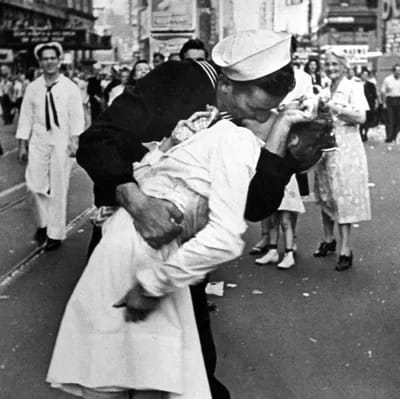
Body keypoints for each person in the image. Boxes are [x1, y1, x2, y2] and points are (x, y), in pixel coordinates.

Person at [48, 30, 314, 399]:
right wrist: (140, 205)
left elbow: (253, 206)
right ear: (224, 84)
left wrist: (283, 153)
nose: (262, 117)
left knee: (174, 371)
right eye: (256, 109)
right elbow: (97, 141)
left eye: (270, 110)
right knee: (135, 372)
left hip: (179, 258)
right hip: (136, 243)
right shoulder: (178, 80)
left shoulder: (255, 121)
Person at [16, 42, 85, 251]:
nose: (49, 62)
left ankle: (55, 234)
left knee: (58, 187)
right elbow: (25, 118)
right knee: (34, 186)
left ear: (59, 60)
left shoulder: (70, 88)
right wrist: (22, 145)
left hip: (61, 142)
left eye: (52, 58)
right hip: (38, 141)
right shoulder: (33, 88)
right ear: (40, 62)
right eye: (45, 59)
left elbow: (77, 117)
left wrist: (75, 141)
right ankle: (43, 223)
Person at [313, 50, 371, 271]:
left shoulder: (354, 87)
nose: (330, 68)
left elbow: (361, 117)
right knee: (326, 194)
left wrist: (334, 108)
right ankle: (329, 239)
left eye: (335, 64)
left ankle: (345, 249)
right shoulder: (326, 89)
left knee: (343, 197)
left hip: (347, 148)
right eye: (327, 64)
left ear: (344, 66)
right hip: (326, 147)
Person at [381, 63, 400, 143]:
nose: (398, 72)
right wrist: (384, 103)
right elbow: (383, 91)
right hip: (390, 100)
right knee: (390, 119)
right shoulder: (387, 80)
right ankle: (389, 137)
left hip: (399, 100)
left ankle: (394, 135)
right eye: (397, 71)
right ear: (393, 71)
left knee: (398, 120)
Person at [359, 68, 379, 142]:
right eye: (363, 75)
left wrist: (376, 103)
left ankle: (365, 133)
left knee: (367, 120)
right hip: (360, 105)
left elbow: (375, 95)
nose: (365, 76)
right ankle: (361, 133)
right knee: (361, 120)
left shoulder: (371, 85)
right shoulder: (357, 84)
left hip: (369, 104)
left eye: (366, 75)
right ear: (361, 75)